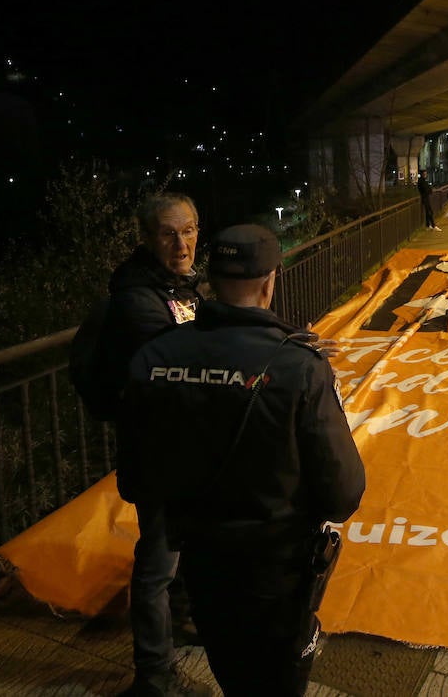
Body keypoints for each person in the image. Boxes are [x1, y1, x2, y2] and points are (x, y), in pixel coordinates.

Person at [125, 225, 366, 696]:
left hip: (198, 562)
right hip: (274, 569)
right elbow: (344, 492)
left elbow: (136, 476)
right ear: (271, 280)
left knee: (231, 669)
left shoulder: (155, 356)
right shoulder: (299, 365)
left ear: (210, 279)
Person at [95, 193, 203, 697]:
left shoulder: (178, 286)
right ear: (146, 238)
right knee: (156, 564)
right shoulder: (137, 296)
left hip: (183, 446)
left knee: (185, 547)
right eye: (168, 233)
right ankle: (154, 678)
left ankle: (181, 624)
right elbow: (183, 353)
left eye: (189, 230)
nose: (181, 243)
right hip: (157, 451)